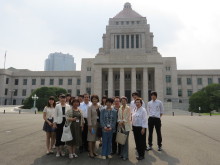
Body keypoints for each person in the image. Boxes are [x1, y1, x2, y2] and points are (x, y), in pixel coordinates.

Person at [118, 96, 131, 160]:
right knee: (121, 141)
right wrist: (119, 122)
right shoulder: (120, 108)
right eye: (122, 101)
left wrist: (122, 121)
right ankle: (122, 154)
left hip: (126, 126)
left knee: (125, 141)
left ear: (126, 101)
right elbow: (119, 117)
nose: (123, 102)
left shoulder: (128, 108)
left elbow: (128, 117)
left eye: (124, 101)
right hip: (120, 126)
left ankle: (126, 155)